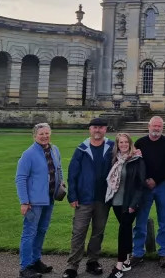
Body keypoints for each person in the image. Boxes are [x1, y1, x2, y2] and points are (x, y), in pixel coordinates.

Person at [63, 118, 115, 278]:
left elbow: (127, 155)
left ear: (105, 129)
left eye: (101, 127)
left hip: (103, 197)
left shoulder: (112, 147)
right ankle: (72, 266)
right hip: (84, 197)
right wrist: (72, 195)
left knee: (98, 232)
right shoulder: (82, 148)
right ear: (90, 130)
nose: (97, 130)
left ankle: (93, 262)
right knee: (79, 232)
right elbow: (73, 174)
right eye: (95, 127)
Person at [16, 123, 63, 278]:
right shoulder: (28, 154)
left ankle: (36, 261)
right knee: (29, 232)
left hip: (49, 198)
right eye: (41, 134)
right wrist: (24, 201)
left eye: (47, 133)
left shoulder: (54, 150)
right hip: (34, 201)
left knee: (42, 231)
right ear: (34, 136)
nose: (45, 136)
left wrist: (60, 184)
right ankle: (25, 267)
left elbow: (58, 169)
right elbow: (21, 178)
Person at [132, 116, 165, 268]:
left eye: (159, 126)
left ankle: (164, 253)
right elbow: (136, 164)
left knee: (164, 220)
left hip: (162, 184)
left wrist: (155, 180)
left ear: (162, 127)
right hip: (144, 187)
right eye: (154, 126)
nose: (156, 128)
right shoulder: (140, 143)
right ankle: (137, 253)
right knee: (141, 220)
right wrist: (145, 180)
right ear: (148, 126)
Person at [105, 133, 146, 278]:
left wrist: (134, 203)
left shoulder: (137, 160)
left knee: (123, 230)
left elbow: (141, 185)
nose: (123, 145)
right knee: (126, 229)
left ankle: (119, 266)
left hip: (129, 203)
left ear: (130, 143)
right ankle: (127, 260)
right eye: (120, 142)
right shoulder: (115, 159)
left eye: (126, 142)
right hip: (116, 201)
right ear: (117, 144)